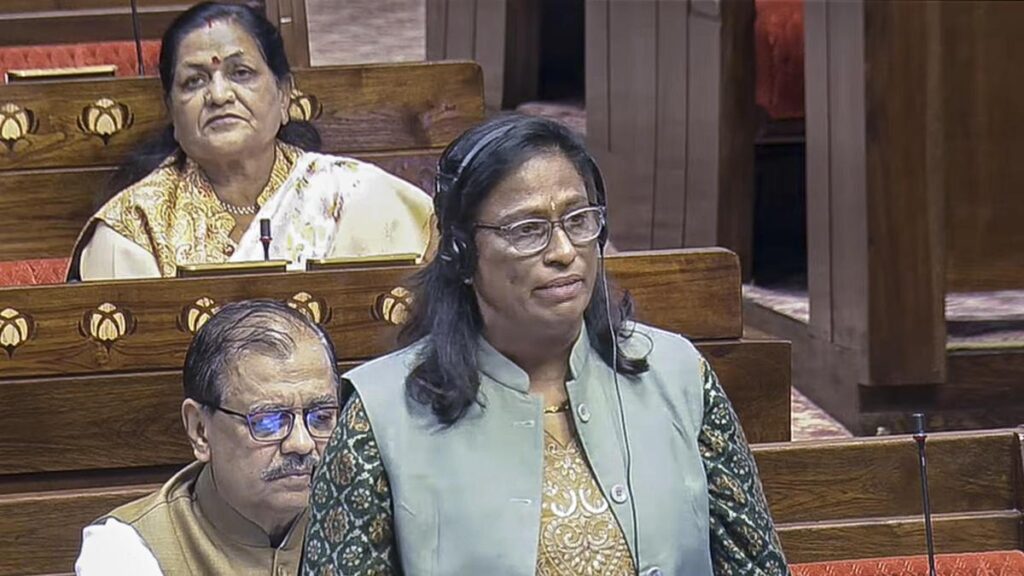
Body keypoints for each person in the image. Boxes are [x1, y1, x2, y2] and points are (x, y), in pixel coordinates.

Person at [301, 115, 789, 575]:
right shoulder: (381, 417)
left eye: (578, 220)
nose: (563, 251)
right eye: (527, 230)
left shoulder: (678, 375)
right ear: (461, 253)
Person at [69, 2, 434, 280]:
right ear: (172, 114)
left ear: (285, 95)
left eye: (240, 73)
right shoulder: (135, 228)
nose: (219, 95)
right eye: (194, 81)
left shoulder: (355, 193)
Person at [75, 299, 341, 575]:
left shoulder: (360, 517)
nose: (302, 443)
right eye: (268, 421)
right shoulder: (126, 549)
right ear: (200, 430)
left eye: (320, 418)